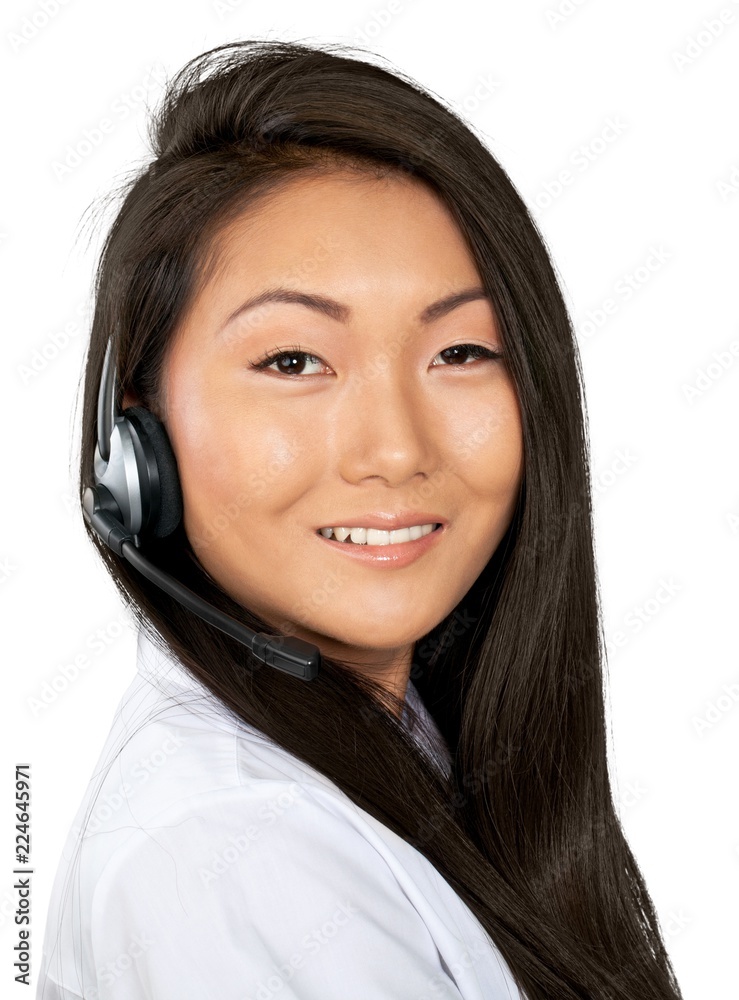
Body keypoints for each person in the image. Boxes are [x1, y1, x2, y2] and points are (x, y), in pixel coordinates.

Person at [36, 38, 685, 1000]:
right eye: (294, 361)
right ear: (137, 437)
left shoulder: (400, 748)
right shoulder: (235, 855)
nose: (392, 449)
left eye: (461, 352)